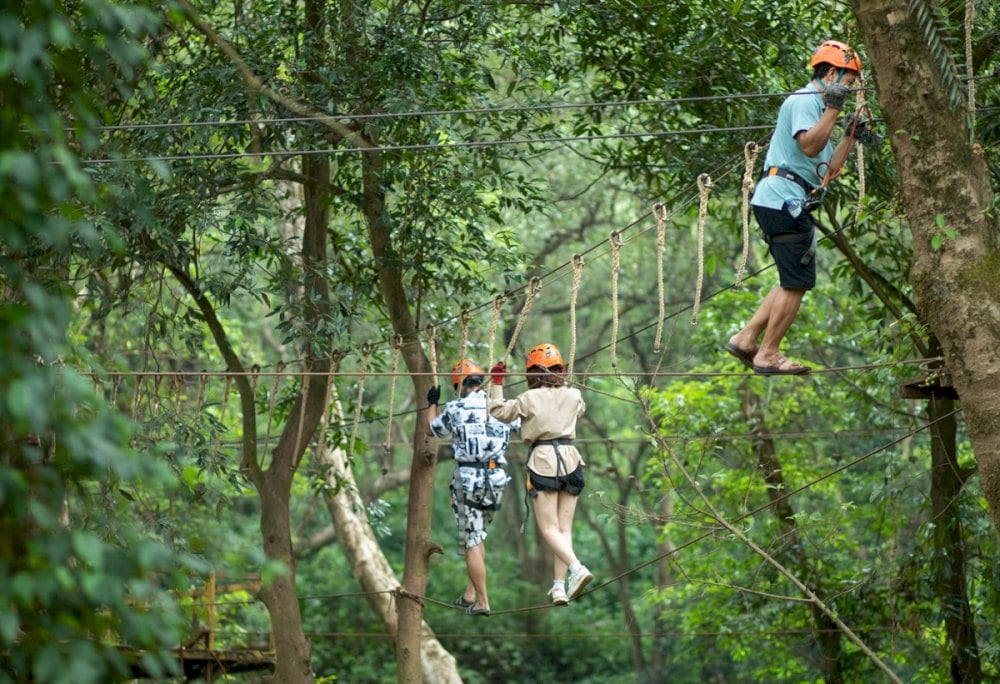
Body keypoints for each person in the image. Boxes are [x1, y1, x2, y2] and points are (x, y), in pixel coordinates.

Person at [726, 40, 865, 375]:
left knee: (791, 277)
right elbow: (808, 145)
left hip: (782, 200)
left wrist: (848, 135)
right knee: (798, 281)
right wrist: (833, 110)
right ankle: (768, 354)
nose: (847, 92)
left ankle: (746, 339)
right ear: (831, 72)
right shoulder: (806, 100)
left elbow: (828, 169)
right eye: (846, 84)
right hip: (781, 198)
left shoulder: (820, 112)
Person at [487, 343, 593, 605]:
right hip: (570, 459)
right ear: (560, 370)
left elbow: (498, 412)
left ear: (532, 374)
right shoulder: (574, 395)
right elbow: (579, 410)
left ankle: (576, 569)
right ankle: (559, 587)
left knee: (549, 529)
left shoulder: (528, 399)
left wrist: (497, 383)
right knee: (563, 529)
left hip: (543, 461)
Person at [427, 359, 519, 617]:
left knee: (471, 542)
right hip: (497, 479)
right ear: (481, 382)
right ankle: (471, 592)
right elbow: (518, 424)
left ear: (459, 386)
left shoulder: (456, 408)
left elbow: (431, 429)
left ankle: (482, 600)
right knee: (477, 536)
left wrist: (432, 403)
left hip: (469, 480)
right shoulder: (499, 408)